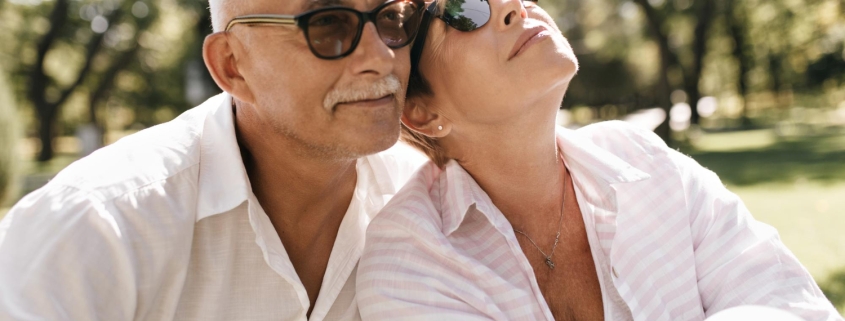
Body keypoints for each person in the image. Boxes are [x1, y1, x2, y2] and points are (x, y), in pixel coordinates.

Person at [355, 0, 843, 320]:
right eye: (465, 9)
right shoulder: (410, 260)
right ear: (422, 113)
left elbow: (790, 306)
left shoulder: (647, 162)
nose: (513, 7)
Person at [0, 0, 427, 320]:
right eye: (328, 24)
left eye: (393, 18)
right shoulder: (95, 228)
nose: (382, 57)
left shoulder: (434, 209)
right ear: (232, 66)